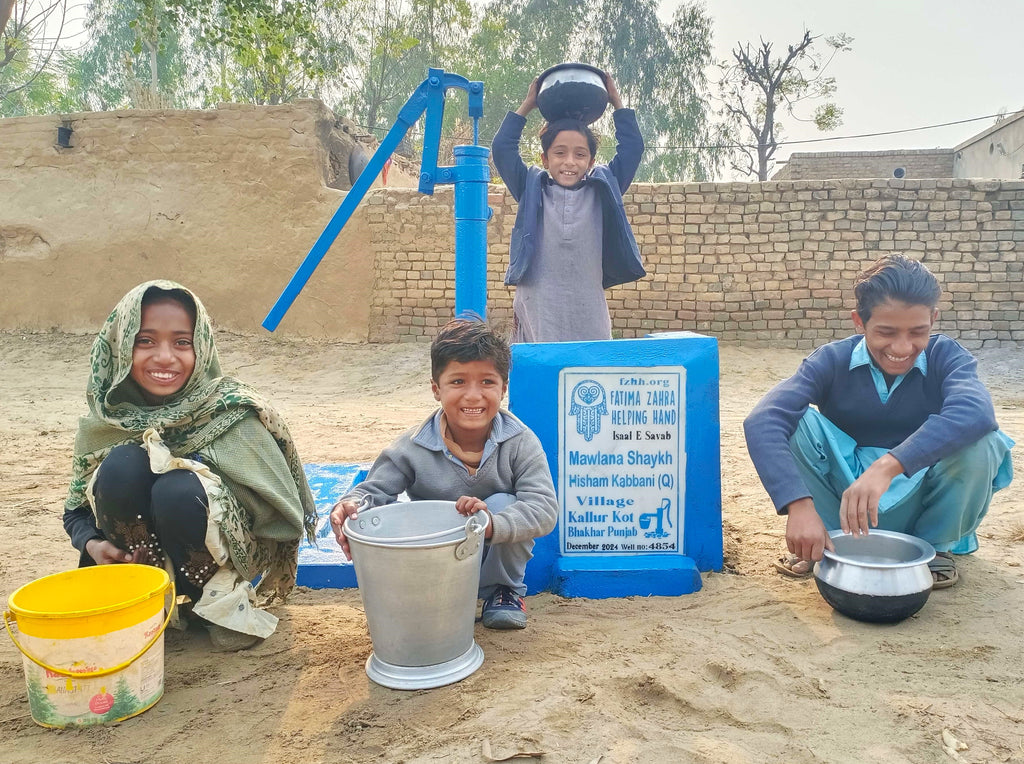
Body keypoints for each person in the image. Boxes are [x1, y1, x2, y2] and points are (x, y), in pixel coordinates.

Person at [63, 281, 316, 650]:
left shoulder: (231, 411)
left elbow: (280, 517)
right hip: (139, 560)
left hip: (214, 561)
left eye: (182, 342)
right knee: (121, 466)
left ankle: (215, 603)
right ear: (119, 347)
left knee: (178, 489)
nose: (165, 357)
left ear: (202, 347)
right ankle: (142, 593)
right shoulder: (107, 420)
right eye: (145, 341)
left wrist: (215, 503)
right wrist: (96, 546)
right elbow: (75, 512)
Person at [743, 255, 1013, 588]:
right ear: (859, 322)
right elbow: (763, 419)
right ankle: (825, 540)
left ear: (934, 318)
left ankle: (935, 549)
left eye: (918, 332)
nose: (902, 347)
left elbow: (976, 411)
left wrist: (888, 465)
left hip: (921, 506)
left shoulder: (947, 356)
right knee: (796, 422)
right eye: (886, 332)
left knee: (983, 440)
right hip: (845, 509)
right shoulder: (831, 360)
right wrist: (797, 505)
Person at [329, 317, 558, 629]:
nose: (474, 396)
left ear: (504, 388)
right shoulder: (413, 446)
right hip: (437, 567)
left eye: (487, 382)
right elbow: (373, 491)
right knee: (394, 515)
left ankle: (503, 592)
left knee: (505, 503)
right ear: (437, 389)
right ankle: (425, 595)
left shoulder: (520, 442)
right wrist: (351, 506)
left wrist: (489, 524)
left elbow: (544, 509)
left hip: (494, 561)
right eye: (458, 382)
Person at [491, 72, 645, 343]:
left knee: (590, 371)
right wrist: (528, 104)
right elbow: (503, 149)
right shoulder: (531, 188)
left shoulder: (603, 188)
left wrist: (616, 100)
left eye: (580, 154)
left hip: (587, 306)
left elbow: (632, 148)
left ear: (591, 160)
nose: (570, 162)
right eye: (560, 153)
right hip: (538, 305)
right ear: (545, 159)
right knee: (539, 372)